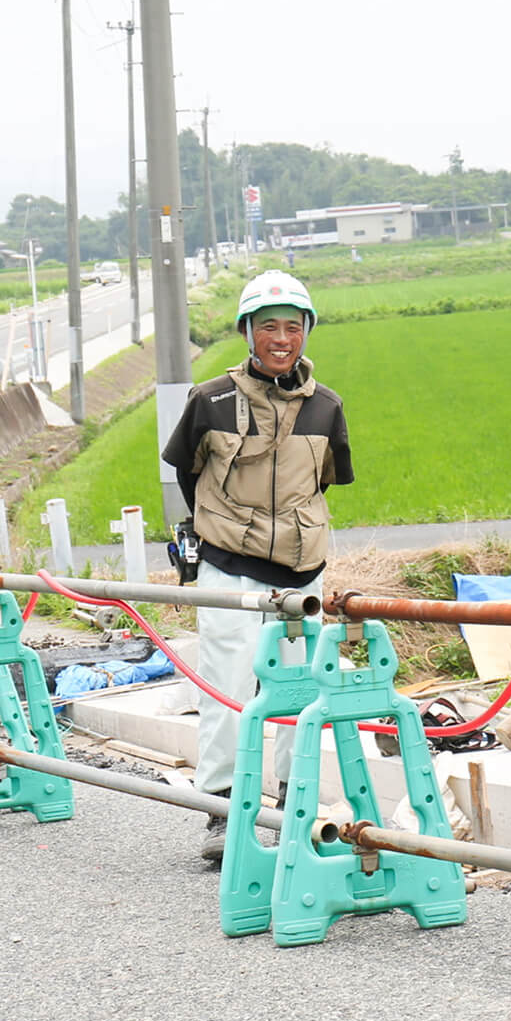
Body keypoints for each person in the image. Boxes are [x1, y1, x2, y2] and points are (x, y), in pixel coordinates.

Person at [161, 271, 353, 862]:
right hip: (229, 571)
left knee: (301, 695)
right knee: (228, 689)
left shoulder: (327, 407)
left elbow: (325, 482)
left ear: (306, 332)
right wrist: (219, 531)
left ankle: (292, 810)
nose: (280, 337)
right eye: (267, 325)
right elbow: (188, 473)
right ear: (247, 331)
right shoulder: (210, 400)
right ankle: (222, 810)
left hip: (302, 576)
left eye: (292, 326)